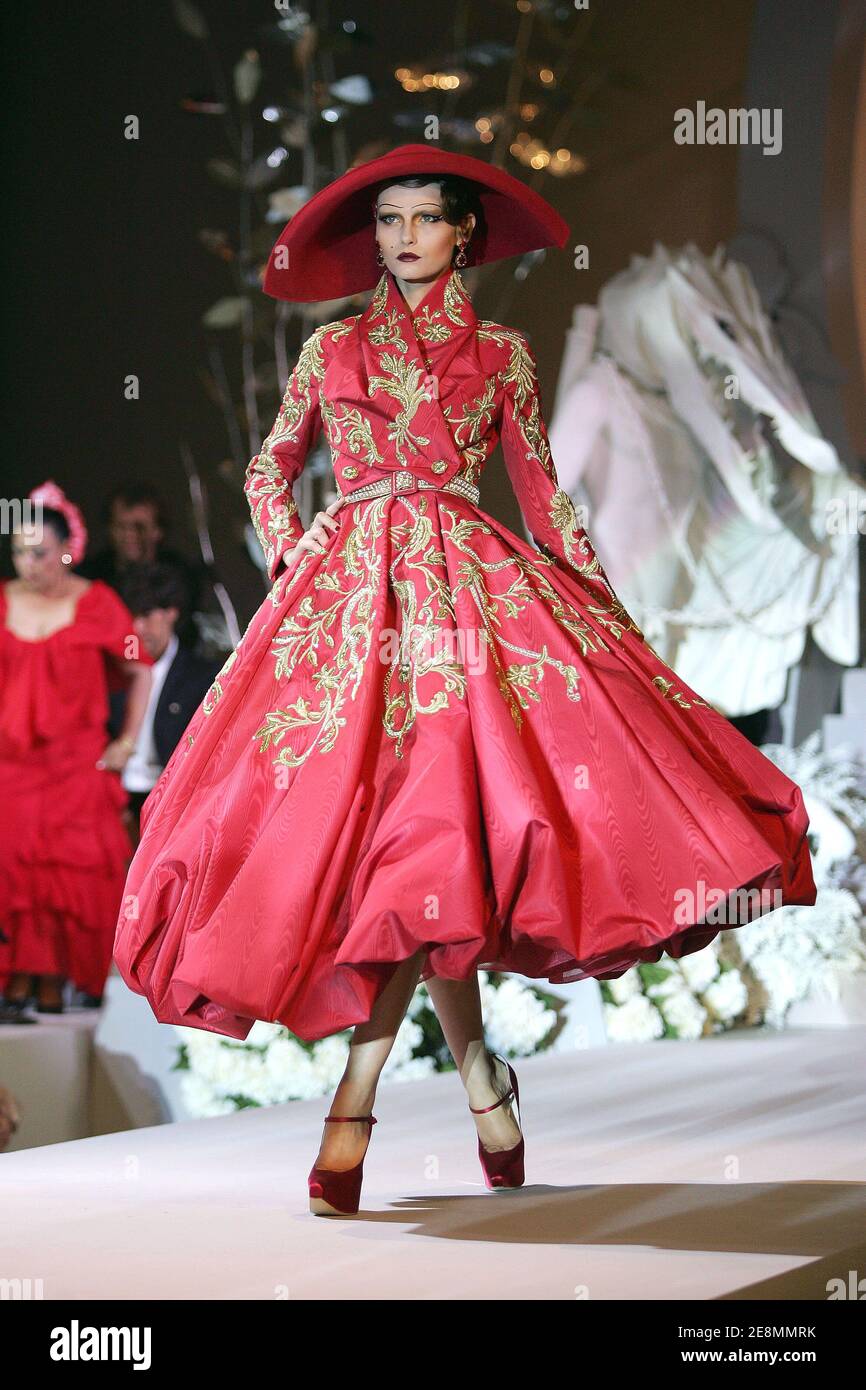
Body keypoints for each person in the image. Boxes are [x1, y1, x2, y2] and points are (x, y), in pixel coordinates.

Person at [112, 145, 817, 1216]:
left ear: (461, 236)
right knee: (408, 857)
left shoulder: (503, 357)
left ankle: (355, 1107)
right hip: (349, 608)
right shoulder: (330, 348)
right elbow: (269, 463)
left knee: (425, 847)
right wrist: (292, 546)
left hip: (467, 606)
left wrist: (604, 625)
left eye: (423, 219)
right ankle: (482, 1079)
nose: (401, 236)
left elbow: (543, 498)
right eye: (387, 219)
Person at [0, 481, 153, 1020]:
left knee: (72, 873)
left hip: (75, 766)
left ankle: (56, 984)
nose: (27, 562)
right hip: (11, 769)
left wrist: (126, 741)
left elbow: (140, 666)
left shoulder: (99, 604)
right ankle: (13, 986)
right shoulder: (2, 600)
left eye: (38, 551)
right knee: (13, 871)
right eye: (18, 550)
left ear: (66, 550)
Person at [110, 562, 223, 845]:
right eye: (131, 615)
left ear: (171, 612)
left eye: (146, 615)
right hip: (113, 803)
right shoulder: (110, 672)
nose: (137, 627)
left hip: (172, 810)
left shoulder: (203, 677)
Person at [76, 481, 204, 632]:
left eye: (139, 527)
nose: (129, 535)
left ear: (158, 530)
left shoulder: (181, 577)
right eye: (121, 527)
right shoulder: (89, 577)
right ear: (109, 530)